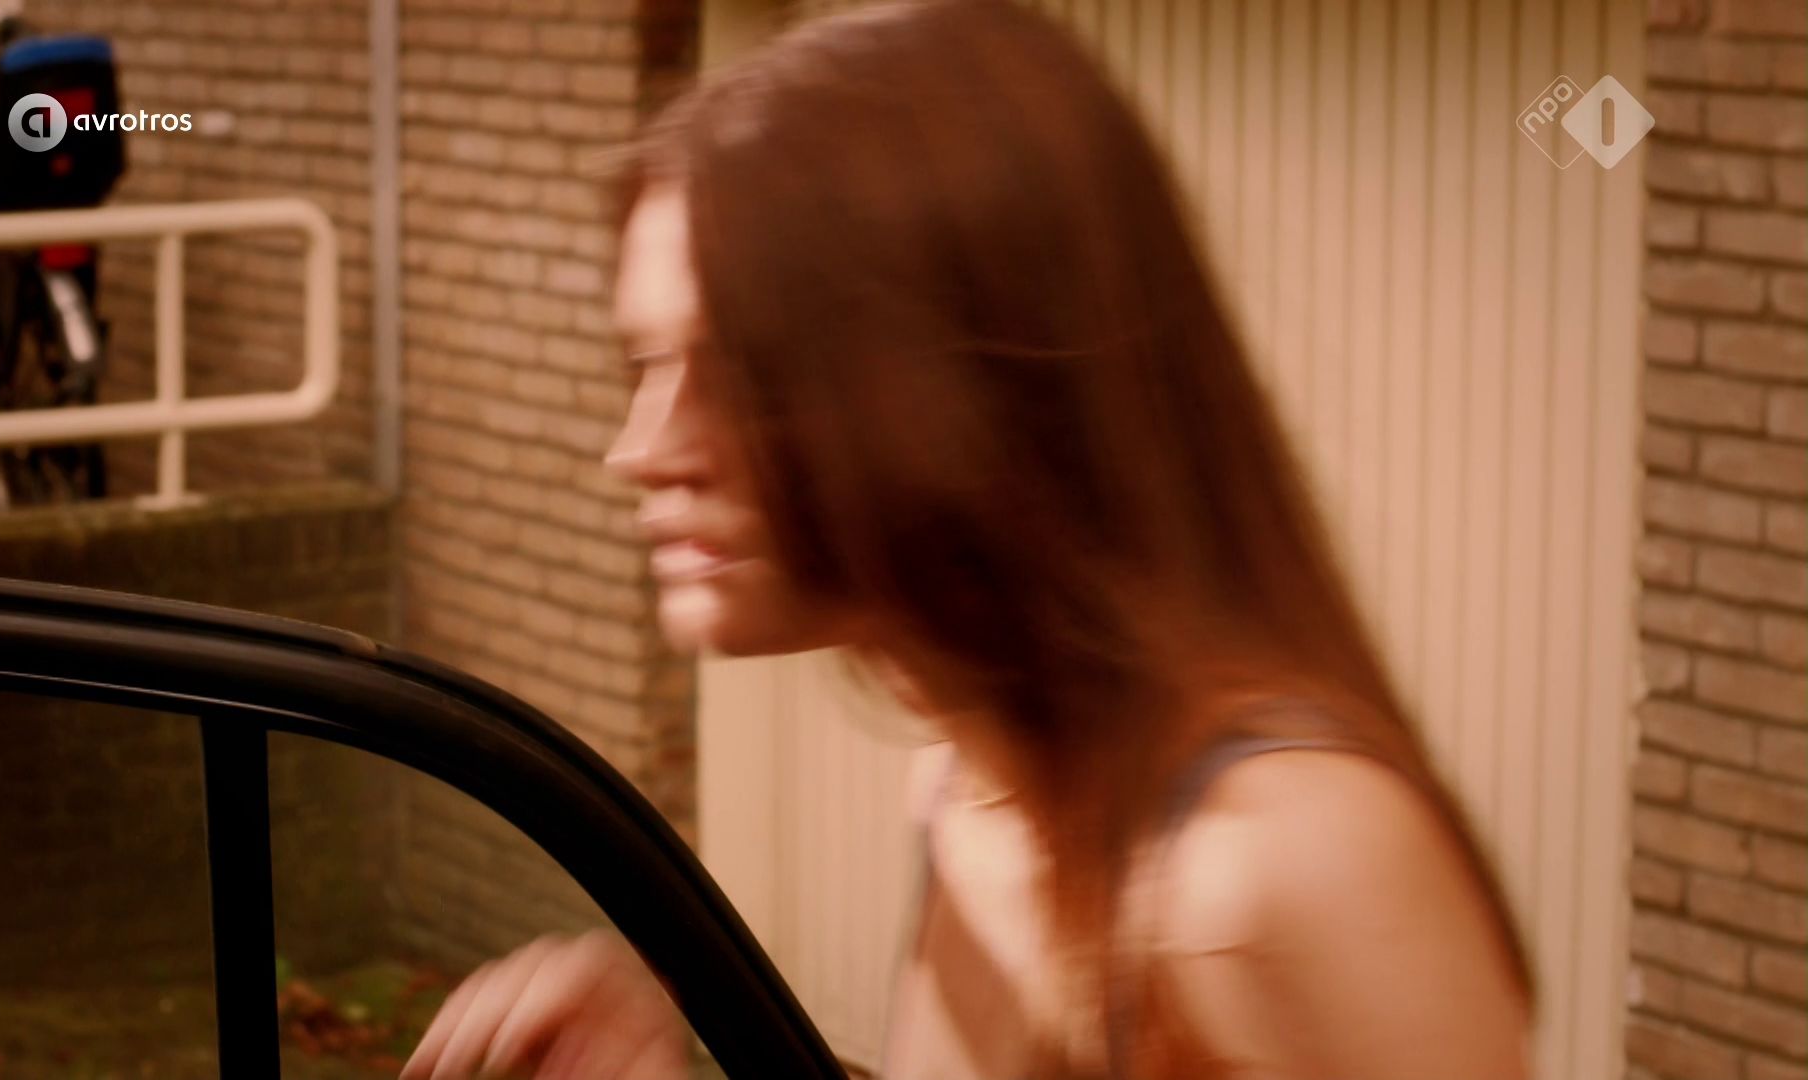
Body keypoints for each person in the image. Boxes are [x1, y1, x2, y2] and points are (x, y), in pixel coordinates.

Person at [400, 1, 1535, 1077]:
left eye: (745, 371)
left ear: (966, 375)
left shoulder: (1295, 864)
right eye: (647, 366)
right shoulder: (973, 791)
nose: (643, 450)